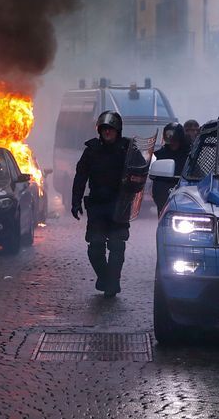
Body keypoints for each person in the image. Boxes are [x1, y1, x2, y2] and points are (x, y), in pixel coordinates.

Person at [70, 111, 148, 297]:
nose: (107, 132)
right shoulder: (91, 150)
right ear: (99, 130)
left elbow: (141, 173)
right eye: (104, 129)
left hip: (119, 205)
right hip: (97, 205)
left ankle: (113, 282)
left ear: (118, 130)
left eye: (111, 129)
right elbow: (81, 176)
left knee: (117, 245)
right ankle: (104, 277)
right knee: (95, 247)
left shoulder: (129, 149)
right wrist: (76, 201)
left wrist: (132, 183)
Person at [152, 122, 190, 218]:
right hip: (164, 195)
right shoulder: (160, 155)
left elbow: (198, 174)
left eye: (175, 141)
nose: (173, 144)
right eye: (170, 141)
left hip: (185, 194)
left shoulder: (190, 155)